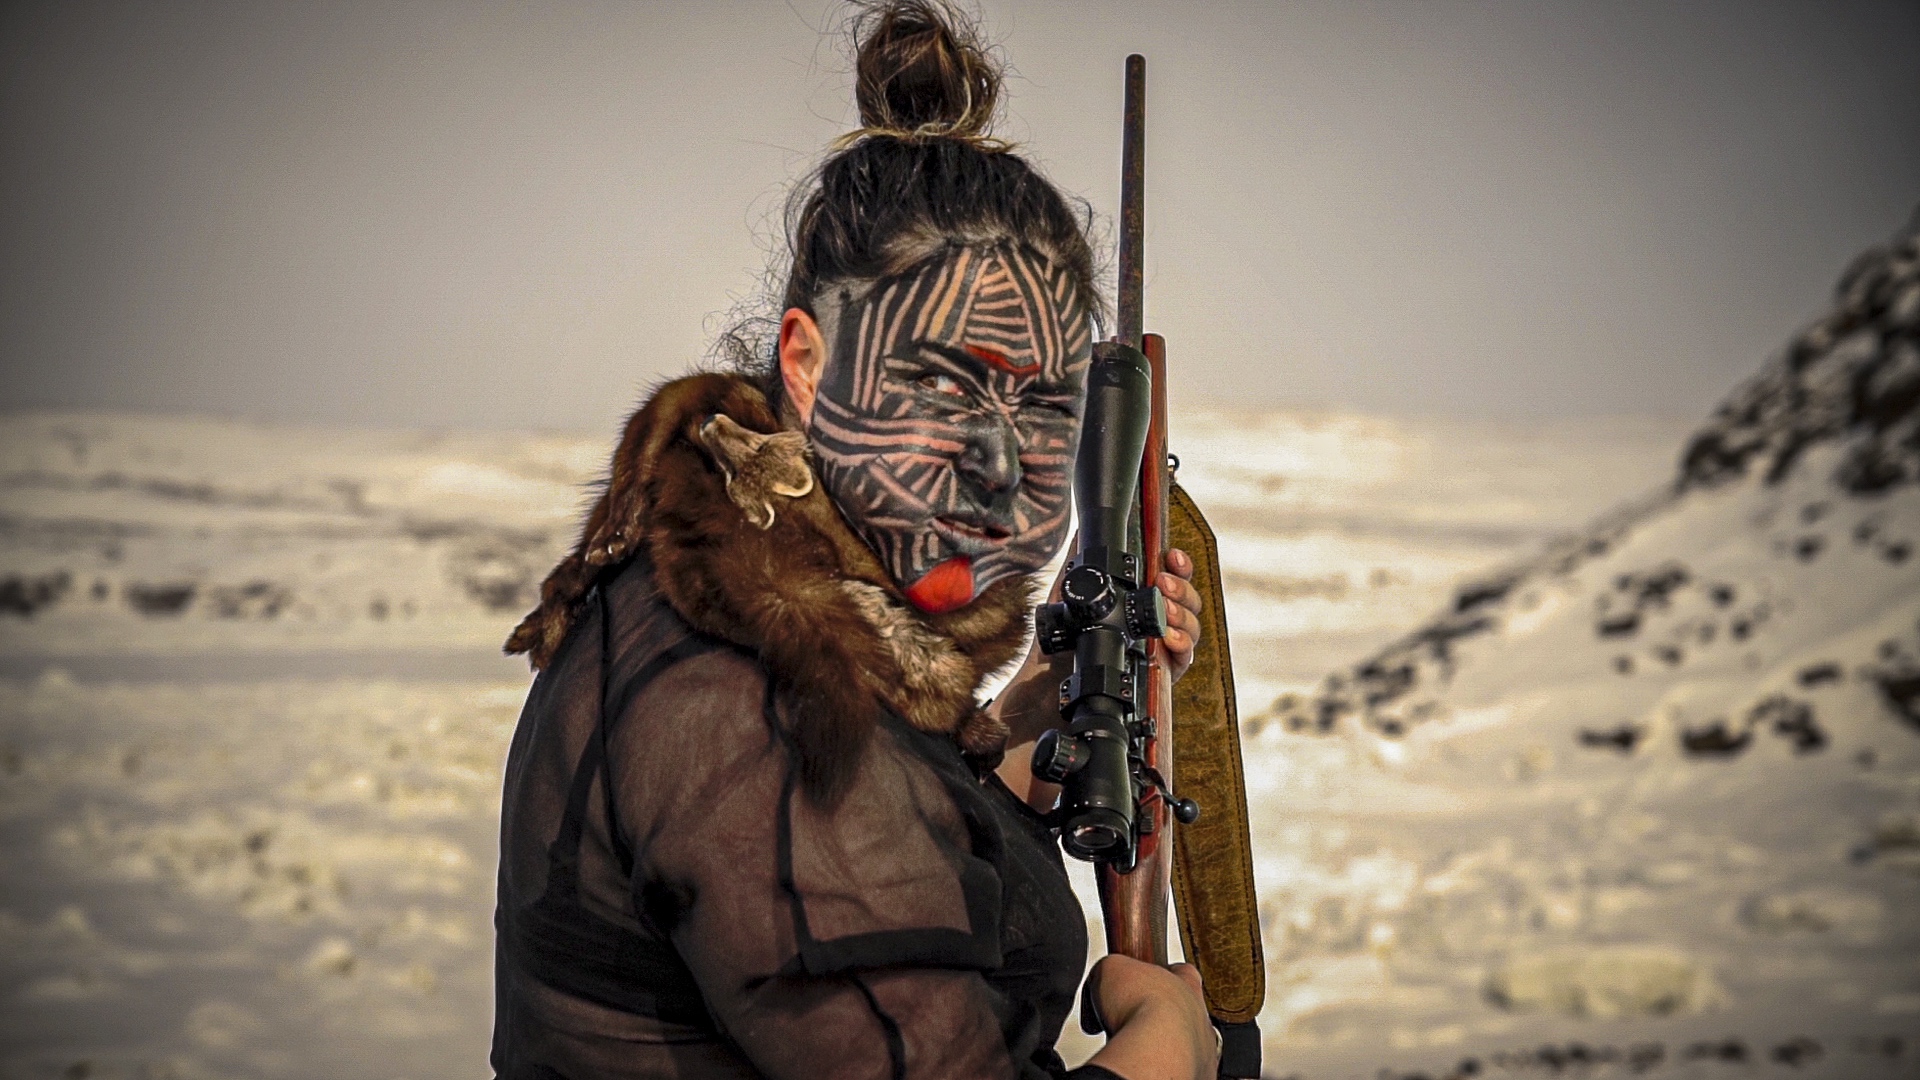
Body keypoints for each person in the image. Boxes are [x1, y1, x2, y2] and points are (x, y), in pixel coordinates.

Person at [492, 4, 1217, 1077]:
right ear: (807, 366)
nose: (1001, 467)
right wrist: (1169, 1049)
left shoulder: (756, 594)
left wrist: (1042, 707)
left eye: (1047, 409)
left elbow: (898, 859)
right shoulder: (762, 704)